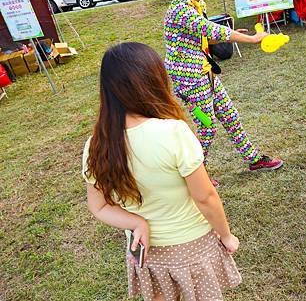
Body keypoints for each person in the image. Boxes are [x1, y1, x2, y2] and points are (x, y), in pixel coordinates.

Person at [83, 42, 242, 301]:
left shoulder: (96, 144)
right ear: (153, 81)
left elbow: (98, 207)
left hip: (146, 251)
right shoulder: (174, 132)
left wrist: (136, 222)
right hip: (192, 246)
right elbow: (206, 197)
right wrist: (226, 235)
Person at [162, 0, 283, 177]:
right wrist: (251, 39)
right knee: (207, 127)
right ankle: (196, 173)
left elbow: (206, 35)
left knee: (230, 115)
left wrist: (234, 33)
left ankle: (254, 158)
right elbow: (211, 30)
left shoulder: (197, 5)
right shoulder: (180, 8)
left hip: (205, 73)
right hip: (189, 82)